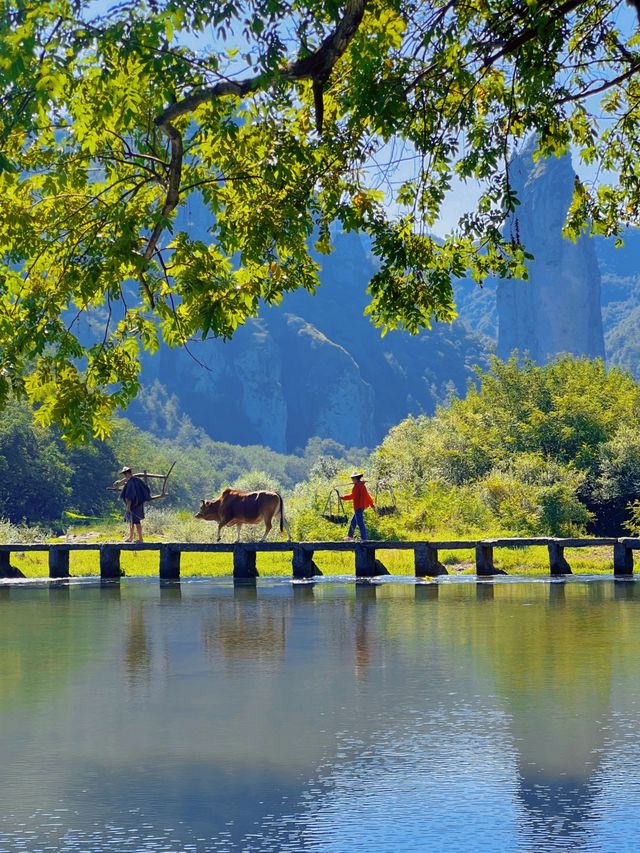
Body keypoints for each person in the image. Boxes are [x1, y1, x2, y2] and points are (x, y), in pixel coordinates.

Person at [341, 471, 377, 541]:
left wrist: (342, 497)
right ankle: (350, 536)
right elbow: (367, 496)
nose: (352, 480)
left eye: (353, 478)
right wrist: (372, 505)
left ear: (356, 478)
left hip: (358, 507)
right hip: (361, 506)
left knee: (360, 523)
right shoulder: (362, 485)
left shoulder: (357, 486)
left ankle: (364, 538)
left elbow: (352, 496)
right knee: (353, 521)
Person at [119, 466, 151, 543]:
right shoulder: (136, 480)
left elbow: (129, 496)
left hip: (134, 505)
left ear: (127, 474)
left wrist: (128, 507)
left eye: (125, 474)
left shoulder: (131, 483)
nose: (125, 476)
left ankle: (140, 539)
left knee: (136, 522)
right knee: (132, 521)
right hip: (139, 504)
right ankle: (131, 537)